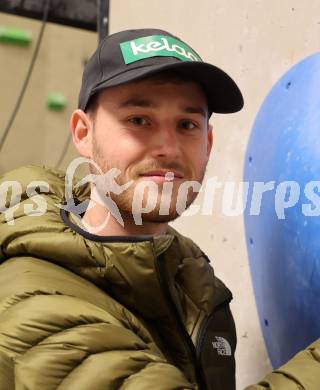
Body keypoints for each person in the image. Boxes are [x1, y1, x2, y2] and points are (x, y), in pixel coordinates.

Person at [0, 28, 318, 390]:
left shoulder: (196, 288)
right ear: (83, 133)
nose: (168, 147)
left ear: (208, 143)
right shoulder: (35, 299)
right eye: (139, 120)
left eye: (187, 125)